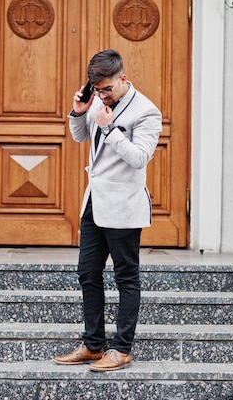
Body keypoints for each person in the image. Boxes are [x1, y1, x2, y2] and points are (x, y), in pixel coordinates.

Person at [52, 49, 162, 371]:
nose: (102, 95)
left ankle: (122, 348)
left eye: (107, 89)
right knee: (87, 272)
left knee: (126, 276)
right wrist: (78, 112)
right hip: (94, 203)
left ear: (123, 79)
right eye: (97, 89)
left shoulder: (146, 112)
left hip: (125, 206)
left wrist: (111, 130)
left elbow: (140, 157)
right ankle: (93, 344)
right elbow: (80, 137)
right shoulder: (98, 103)